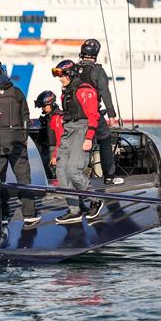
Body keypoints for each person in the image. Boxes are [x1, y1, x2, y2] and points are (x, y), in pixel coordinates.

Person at [0, 74, 39, 226]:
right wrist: (24, 136)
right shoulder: (17, 92)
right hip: (17, 140)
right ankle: (29, 213)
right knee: (23, 177)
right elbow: (25, 116)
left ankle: (1, 214)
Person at [52, 60, 105, 224]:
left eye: (62, 76)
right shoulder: (66, 91)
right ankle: (74, 210)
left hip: (82, 130)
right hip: (69, 130)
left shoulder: (84, 90)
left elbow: (93, 115)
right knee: (61, 171)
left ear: (71, 74)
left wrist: (89, 137)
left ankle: (95, 200)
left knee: (74, 170)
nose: (60, 79)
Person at [77, 38, 123, 185]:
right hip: (92, 114)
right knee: (105, 139)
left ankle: (78, 177)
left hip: (75, 115)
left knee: (79, 143)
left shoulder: (74, 69)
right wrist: (111, 115)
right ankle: (109, 177)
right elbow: (105, 93)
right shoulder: (97, 71)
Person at [34, 90, 63, 180]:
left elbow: (60, 138)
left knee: (54, 177)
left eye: (43, 106)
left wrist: (55, 156)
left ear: (50, 103)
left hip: (53, 150)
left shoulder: (57, 117)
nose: (42, 109)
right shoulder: (48, 117)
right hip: (47, 149)